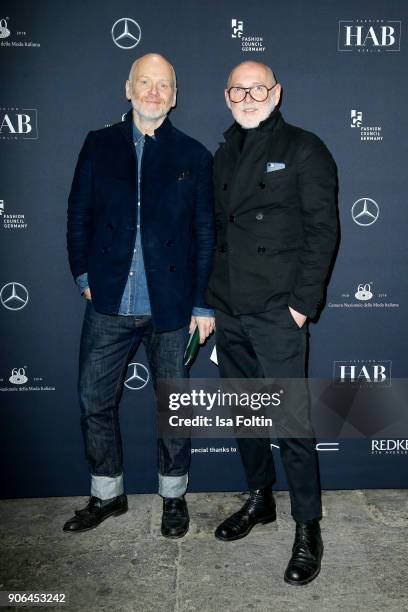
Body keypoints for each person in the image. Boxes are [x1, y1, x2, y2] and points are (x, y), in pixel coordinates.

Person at [64, 53, 215, 538]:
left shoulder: (195, 156)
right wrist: (83, 274)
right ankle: (107, 494)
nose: (154, 91)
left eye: (164, 84)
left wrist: (202, 303)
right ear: (127, 89)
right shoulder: (98, 145)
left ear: (175, 95)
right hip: (108, 300)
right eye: (144, 82)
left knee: (173, 407)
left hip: (170, 308)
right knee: (93, 400)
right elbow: (77, 214)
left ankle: (173, 496)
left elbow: (206, 236)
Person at [206, 61, 338, 585]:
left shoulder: (306, 148)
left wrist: (302, 303)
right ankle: (260, 498)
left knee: (291, 423)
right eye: (239, 89)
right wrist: (206, 304)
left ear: (276, 92)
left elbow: (323, 229)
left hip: (277, 309)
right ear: (227, 96)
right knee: (245, 413)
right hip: (228, 306)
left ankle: (309, 526)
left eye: (259, 87)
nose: (249, 96)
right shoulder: (222, 153)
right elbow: (214, 232)